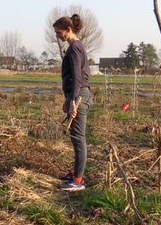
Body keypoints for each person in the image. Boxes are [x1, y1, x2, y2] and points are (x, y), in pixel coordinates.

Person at [53, 14, 92, 191]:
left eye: (59, 32)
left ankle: (78, 180)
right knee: (76, 137)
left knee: (78, 138)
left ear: (68, 30)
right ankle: (76, 173)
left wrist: (74, 101)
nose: (57, 36)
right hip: (76, 95)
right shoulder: (74, 46)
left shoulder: (75, 47)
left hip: (80, 95)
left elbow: (77, 77)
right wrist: (68, 99)